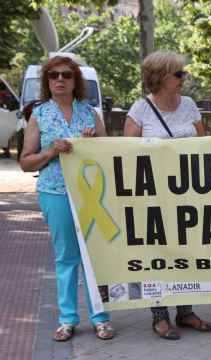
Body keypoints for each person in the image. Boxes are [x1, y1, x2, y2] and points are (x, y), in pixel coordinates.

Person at [19, 56, 114, 342]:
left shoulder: (90, 113)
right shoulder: (39, 115)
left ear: (75, 81)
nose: (60, 80)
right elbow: (26, 162)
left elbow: (108, 154)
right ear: (47, 82)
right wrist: (51, 151)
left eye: (66, 75)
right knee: (66, 257)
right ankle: (67, 319)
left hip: (90, 195)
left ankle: (101, 318)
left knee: (94, 257)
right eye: (53, 76)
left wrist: (94, 143)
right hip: (55, 192)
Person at [123, 51, 211, 340]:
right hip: (154, 198)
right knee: (157, 255)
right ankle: (159, 315)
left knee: (186, 252)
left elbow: (204, 146)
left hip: (187, 196)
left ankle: (185, 310)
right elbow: (125, 154)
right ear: (160, 76)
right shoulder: (140, 109)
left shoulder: (189, 105)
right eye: (178, 74)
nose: (183, 78)